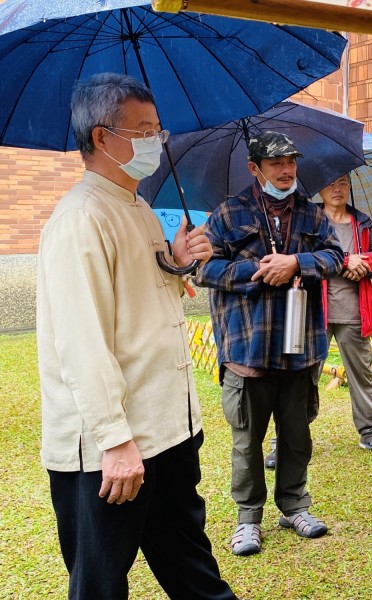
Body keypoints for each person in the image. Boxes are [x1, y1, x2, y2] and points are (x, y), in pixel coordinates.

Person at [37, 73, 237, 599]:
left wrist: (176, 263)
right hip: (114, 450)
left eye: (157, 130)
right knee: (100, 584)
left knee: (192, 567)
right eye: (144, 129)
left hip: (166, 431)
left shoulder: (140, 209)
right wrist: (115, 439)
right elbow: (81, 341)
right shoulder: (80, 218)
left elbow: (142, 302)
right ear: (103, 138)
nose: (157, 139)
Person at [196, 131, 344, 556]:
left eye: (291, 162)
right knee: (247, 439)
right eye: (275, 163)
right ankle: (248, 518)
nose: (286, 170)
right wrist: (258, 272)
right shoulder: (228, 212)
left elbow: (335, 257)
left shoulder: (312, 214)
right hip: (248, 347)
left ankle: (294, 505)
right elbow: (202, 270)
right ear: (254, 168)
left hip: (300, 346)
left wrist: (297, 262)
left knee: (297, 435)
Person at [318, 174, 372, 456]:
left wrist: (364, 262)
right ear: (320, 188)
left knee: (361, 374)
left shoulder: (362, 222)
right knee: (301, 378)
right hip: (315, 311)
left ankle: (371, 433)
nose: (336, 189)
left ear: (350, 186)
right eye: (330, 183)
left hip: (354, 311)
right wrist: (342, 261)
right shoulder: (310, 220)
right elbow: (301, 256)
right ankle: (287, 439)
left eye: (342, 183)